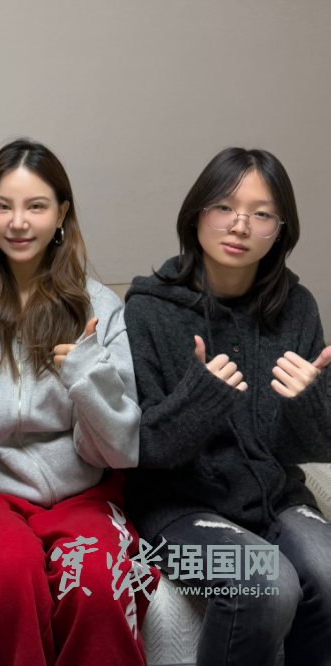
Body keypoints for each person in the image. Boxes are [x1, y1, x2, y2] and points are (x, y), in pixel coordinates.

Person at [0, 139, 157, 666]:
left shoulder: (99, 305)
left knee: (97, 579)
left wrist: (88, 380)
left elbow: (120, 448)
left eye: (36, 206)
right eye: (3, 206)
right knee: (9, 569)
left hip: (82, 498)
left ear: (62, 214)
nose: (18, 222)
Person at [123, 147, 331, 666]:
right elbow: (140, 451)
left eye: (261, 214)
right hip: (173, 515)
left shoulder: (297, 308)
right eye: (224, 207)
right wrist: (200, 400)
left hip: (275, 499)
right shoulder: (147, 310)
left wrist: (308, 402)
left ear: (279, 232)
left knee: (328, 573)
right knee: (267, 584)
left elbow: (319, 446)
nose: (239, 226)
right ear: (196, 215)